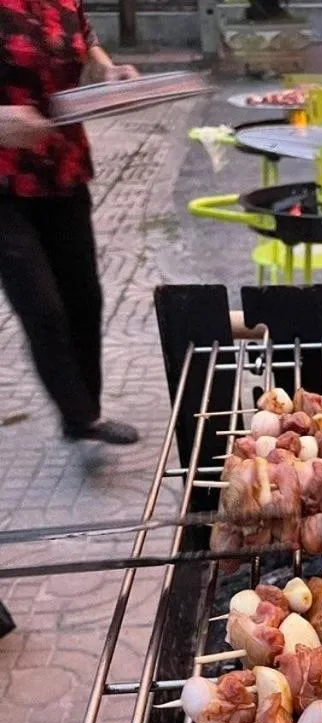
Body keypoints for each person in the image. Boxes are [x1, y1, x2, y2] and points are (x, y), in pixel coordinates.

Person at [0, 0, 140, 445]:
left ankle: (83, 415)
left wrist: (109, 72)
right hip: (4, 183)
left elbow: (87, 44)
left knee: (84, 298)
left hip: (63, 169)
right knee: (43, 308)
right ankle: (78, 415)